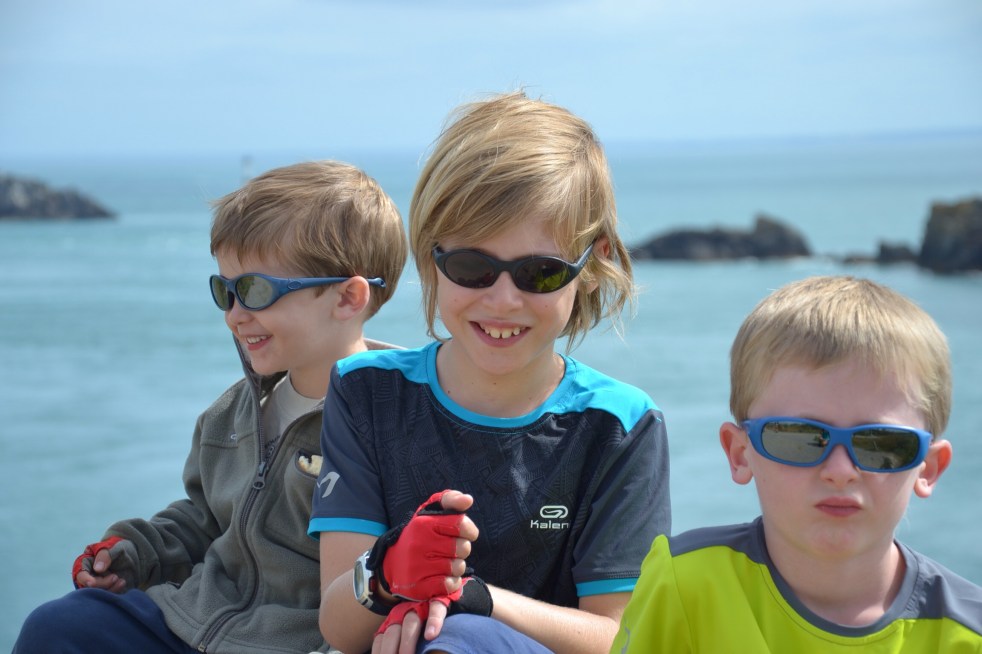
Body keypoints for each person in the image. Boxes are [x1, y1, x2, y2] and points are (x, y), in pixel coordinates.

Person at [308, 90, 671, 654]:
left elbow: (619, 638)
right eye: (471, 266)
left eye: (541, 272)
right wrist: (384, 571)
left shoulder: (620, 424)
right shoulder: (366, 391)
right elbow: (339, 626)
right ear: (431, 255)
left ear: (593, 264)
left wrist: (472, 599)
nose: (503, 300)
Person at [14, 160, 408, 654]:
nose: (234, 316)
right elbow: (205, 519)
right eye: (225, 291)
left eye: (256, 291)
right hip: (194, 620)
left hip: (298, 642)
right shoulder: (234, 412)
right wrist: (136, 553)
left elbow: (396, 576)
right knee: (59, 626)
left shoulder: (397, 421)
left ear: (348, 298)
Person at [611, 275, 982, 653]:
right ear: (740, 453)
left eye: (879, 443)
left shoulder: (967, 635)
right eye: (799, 437)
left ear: (929, 467)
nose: (840, 471)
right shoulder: (685, 585)